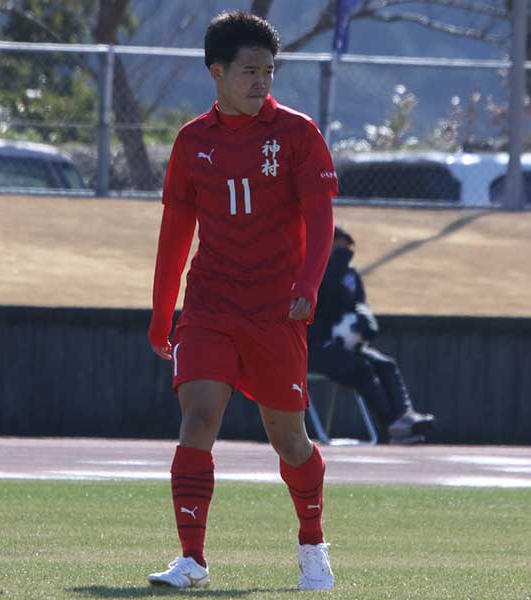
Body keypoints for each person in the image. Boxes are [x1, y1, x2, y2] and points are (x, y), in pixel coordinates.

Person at [146, 11, 338, 591]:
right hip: (210, 306)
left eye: (269, 71)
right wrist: (162, 312)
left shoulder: (298, 134)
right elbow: (176, 231)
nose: (261, 81)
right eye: (249, 71)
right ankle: (192, 560)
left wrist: (307, 286)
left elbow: (321, 220)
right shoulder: (192, 141)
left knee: (289, 439)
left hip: (276, 311)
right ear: (218, 72)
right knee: (198, 418)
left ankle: (312, 544)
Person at [308, 226, 435, 444]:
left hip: (346, 346)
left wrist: (365, 320)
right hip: (316, 347)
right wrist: (335, 264)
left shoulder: (351, 275)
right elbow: (327, 295)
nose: (345, 252)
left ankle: (405, 415)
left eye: (346, 248)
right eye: (338, 247)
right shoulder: (314, 271)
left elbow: (358, 303)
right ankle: (392, 424)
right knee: (361, 368)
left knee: (385, 364)